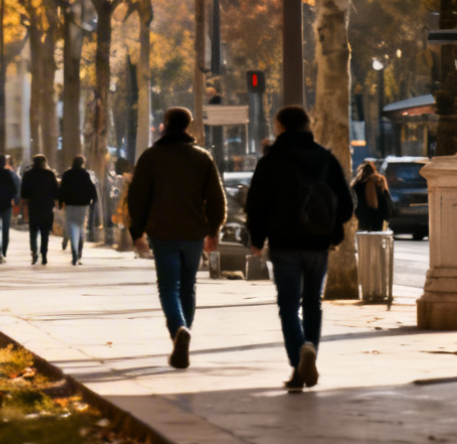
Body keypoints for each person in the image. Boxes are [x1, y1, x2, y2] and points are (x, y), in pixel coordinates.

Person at [245, 105, 353, 392]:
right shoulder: (325, 158)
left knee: (289, 305)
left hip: (284, 244)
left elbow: (256, 204)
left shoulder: (271, 161)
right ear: (308, 125)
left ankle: (298, 359)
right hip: (318, 243)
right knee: (313, 303)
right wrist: (331, 228)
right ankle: (310, 353)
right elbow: (345, 203)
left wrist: (257, 239)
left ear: (280, 126)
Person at [128, 107, 225, 370]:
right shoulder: (202, 157)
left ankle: (178, 330)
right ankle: (184, 333)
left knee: (168, 287)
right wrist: (214, 230)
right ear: (189, 125)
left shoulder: (151, 157)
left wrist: (137, 233)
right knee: (188, 286)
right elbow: (216, 198)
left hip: (163, 232)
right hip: (193, 233)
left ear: (165, 125)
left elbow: (137, 198)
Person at [57, 156, 98, 266]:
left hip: (70, 205)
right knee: (80, 227)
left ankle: (74, 251)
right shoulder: (85, 175)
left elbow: (62, 189)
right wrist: (93, 201)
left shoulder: (67, 175)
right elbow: (91, 189)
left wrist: (60, 203)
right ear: (82, 163)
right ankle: (79, 252)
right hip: (82, 205)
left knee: (71, 227)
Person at [19, 155, 59, 266]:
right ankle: (44, 254)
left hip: (33, 206)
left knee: (33, 232)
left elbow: (23, 193)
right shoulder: (50, 174)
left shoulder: (28, 175)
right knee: (45, 232)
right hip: (47, 207)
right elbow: (56, 191)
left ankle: (34, 252)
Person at [352, 160, 391, 233]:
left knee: (363, 238)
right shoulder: (379, 180)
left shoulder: (357, 183)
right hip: (377, 216)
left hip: (362, 216)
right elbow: (384, 198)